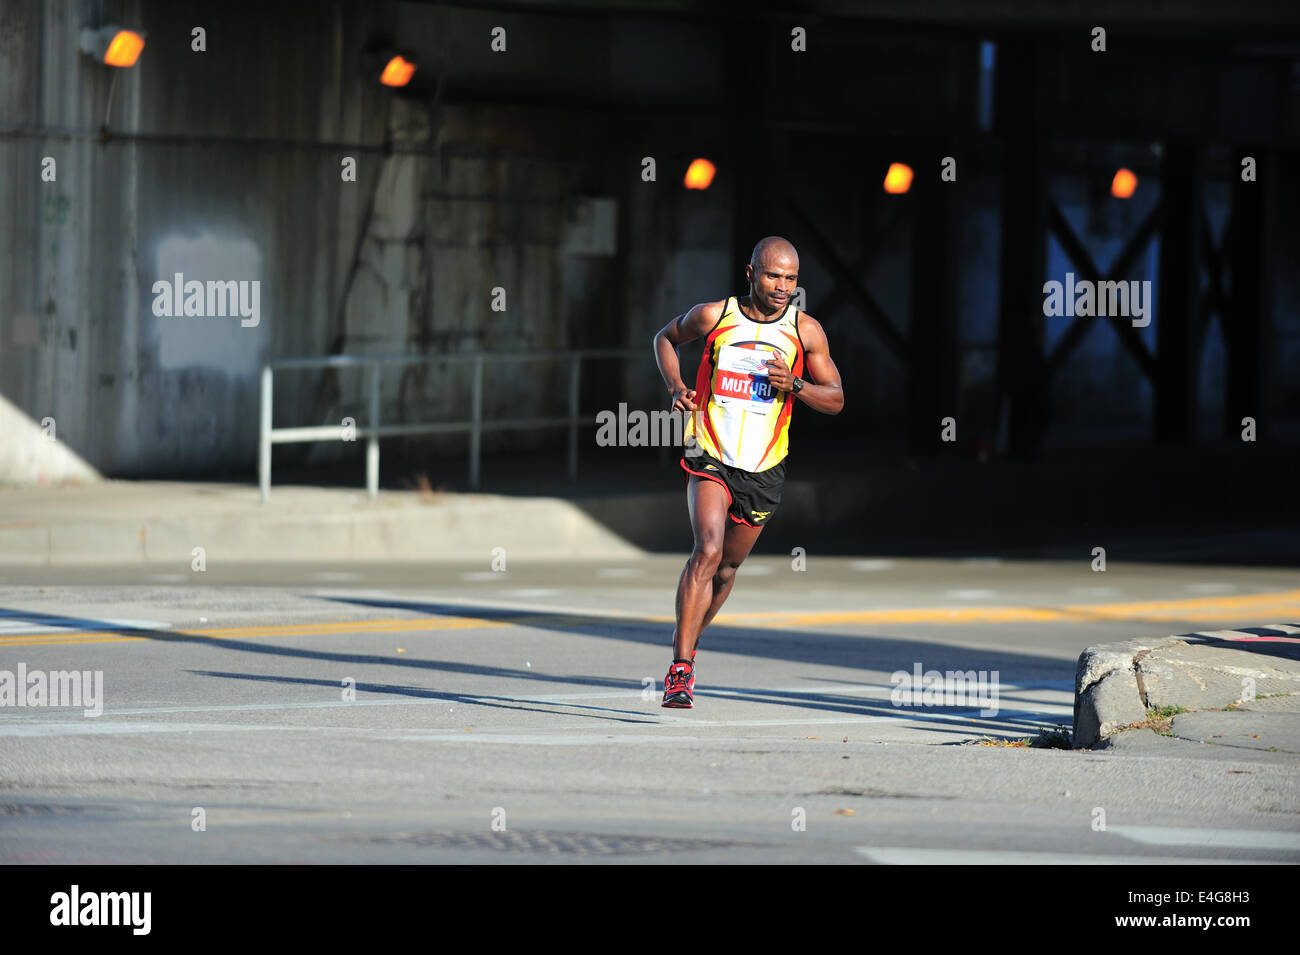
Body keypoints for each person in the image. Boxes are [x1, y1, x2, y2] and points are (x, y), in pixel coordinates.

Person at [650, 236, 844, 707]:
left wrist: (794, 384)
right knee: (708, 549)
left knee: (727, 569)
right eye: (773, 275)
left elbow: (836, 398)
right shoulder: (715, 316)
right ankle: (680, 669)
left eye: (791, 278)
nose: (782, 287)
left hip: (764, 469)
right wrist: (676, 386)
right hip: (709, 453)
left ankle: (689, 642)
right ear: (751, 272)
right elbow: (665, 339)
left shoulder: (806, 331)